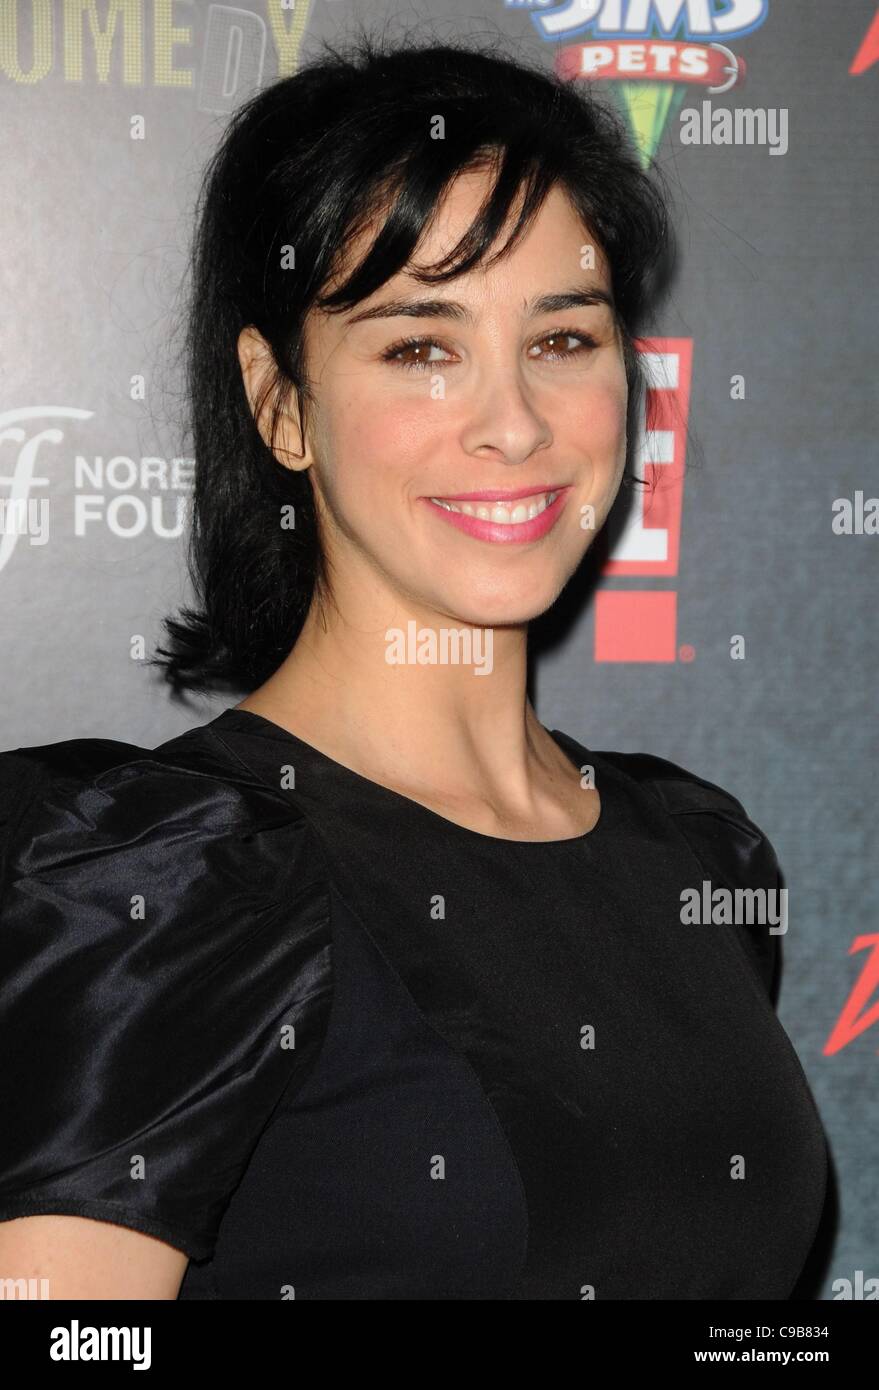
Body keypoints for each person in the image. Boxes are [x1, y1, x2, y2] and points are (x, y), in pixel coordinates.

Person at [0, 35, 827, 1300]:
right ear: (281, 404)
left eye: (562, 340)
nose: (514, 422)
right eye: (420, 347)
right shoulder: (162, 889)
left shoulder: (699, 856)